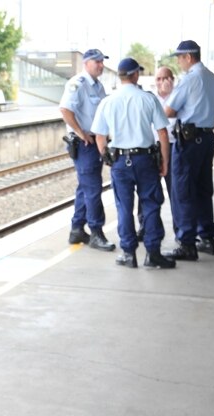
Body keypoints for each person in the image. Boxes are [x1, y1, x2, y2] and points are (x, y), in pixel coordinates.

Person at [91, 58, 175, 269]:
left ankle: (128, 254)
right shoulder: (148, 99)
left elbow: (99, 136)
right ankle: (153, 254)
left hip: (120, 161)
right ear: (136, 74)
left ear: (120, 76)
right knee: (151, 205)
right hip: (146, 160)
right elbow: (162, 133)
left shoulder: (107, 102)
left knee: (124, 208)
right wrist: (165, 161)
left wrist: (108, 158)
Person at [163, 40, 214, 260]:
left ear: (188, 57)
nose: (178, 62)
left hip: (188, 143)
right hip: (206, 139)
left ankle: (187, 243)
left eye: (179, 58)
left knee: (184, 191)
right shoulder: (212, 78)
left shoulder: (190, 80)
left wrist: (168, 94)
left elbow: (168, 110)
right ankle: (207, 237)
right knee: (204, 189)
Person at [59, 48, 116, 251]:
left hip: (94, 142)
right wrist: (81, 133)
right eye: (97, 62)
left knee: (85, 187)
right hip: (85, 144)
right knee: (93, 188)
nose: (101, 65)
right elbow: (65, 110)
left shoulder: (98, 87)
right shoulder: (78, 84)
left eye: (102, 62)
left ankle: (76, 229)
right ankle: (96, 232)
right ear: (86, 63)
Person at [137, 66, 177, 240]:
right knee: (147, 191)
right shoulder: (149, 97)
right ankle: (144, 226)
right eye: (158, 79)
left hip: (174, 147)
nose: (162, 82)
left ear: (172, 80)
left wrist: (170, 95)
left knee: (176, 191)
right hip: (152, 148)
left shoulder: (178, 96)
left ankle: (180, 231)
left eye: (165, 78)